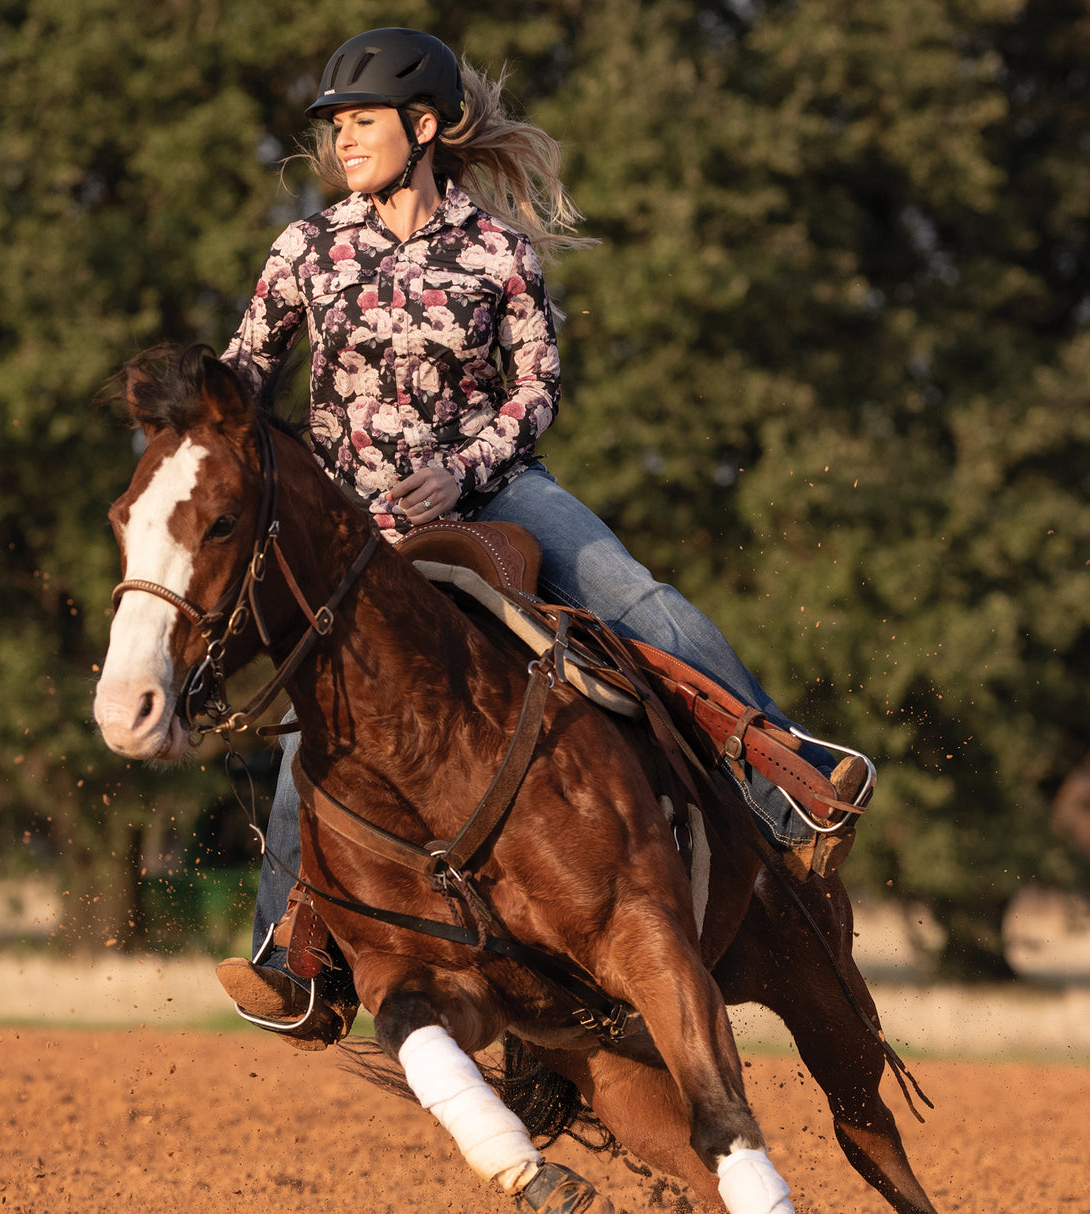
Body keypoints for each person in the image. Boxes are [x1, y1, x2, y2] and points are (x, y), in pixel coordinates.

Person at [214, 28, 873, 1039]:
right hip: (353, 531)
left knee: (636, 596)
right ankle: (296, 960)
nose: (341, 142)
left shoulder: (496, 250)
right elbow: (248, 368)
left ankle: (787, 783)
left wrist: (463, 469)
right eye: (335, 126)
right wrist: (196, 416)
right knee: (320, 722)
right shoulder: (305, 249)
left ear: (422, 128)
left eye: (361, 122)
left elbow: (535, 388)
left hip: (494, 492)